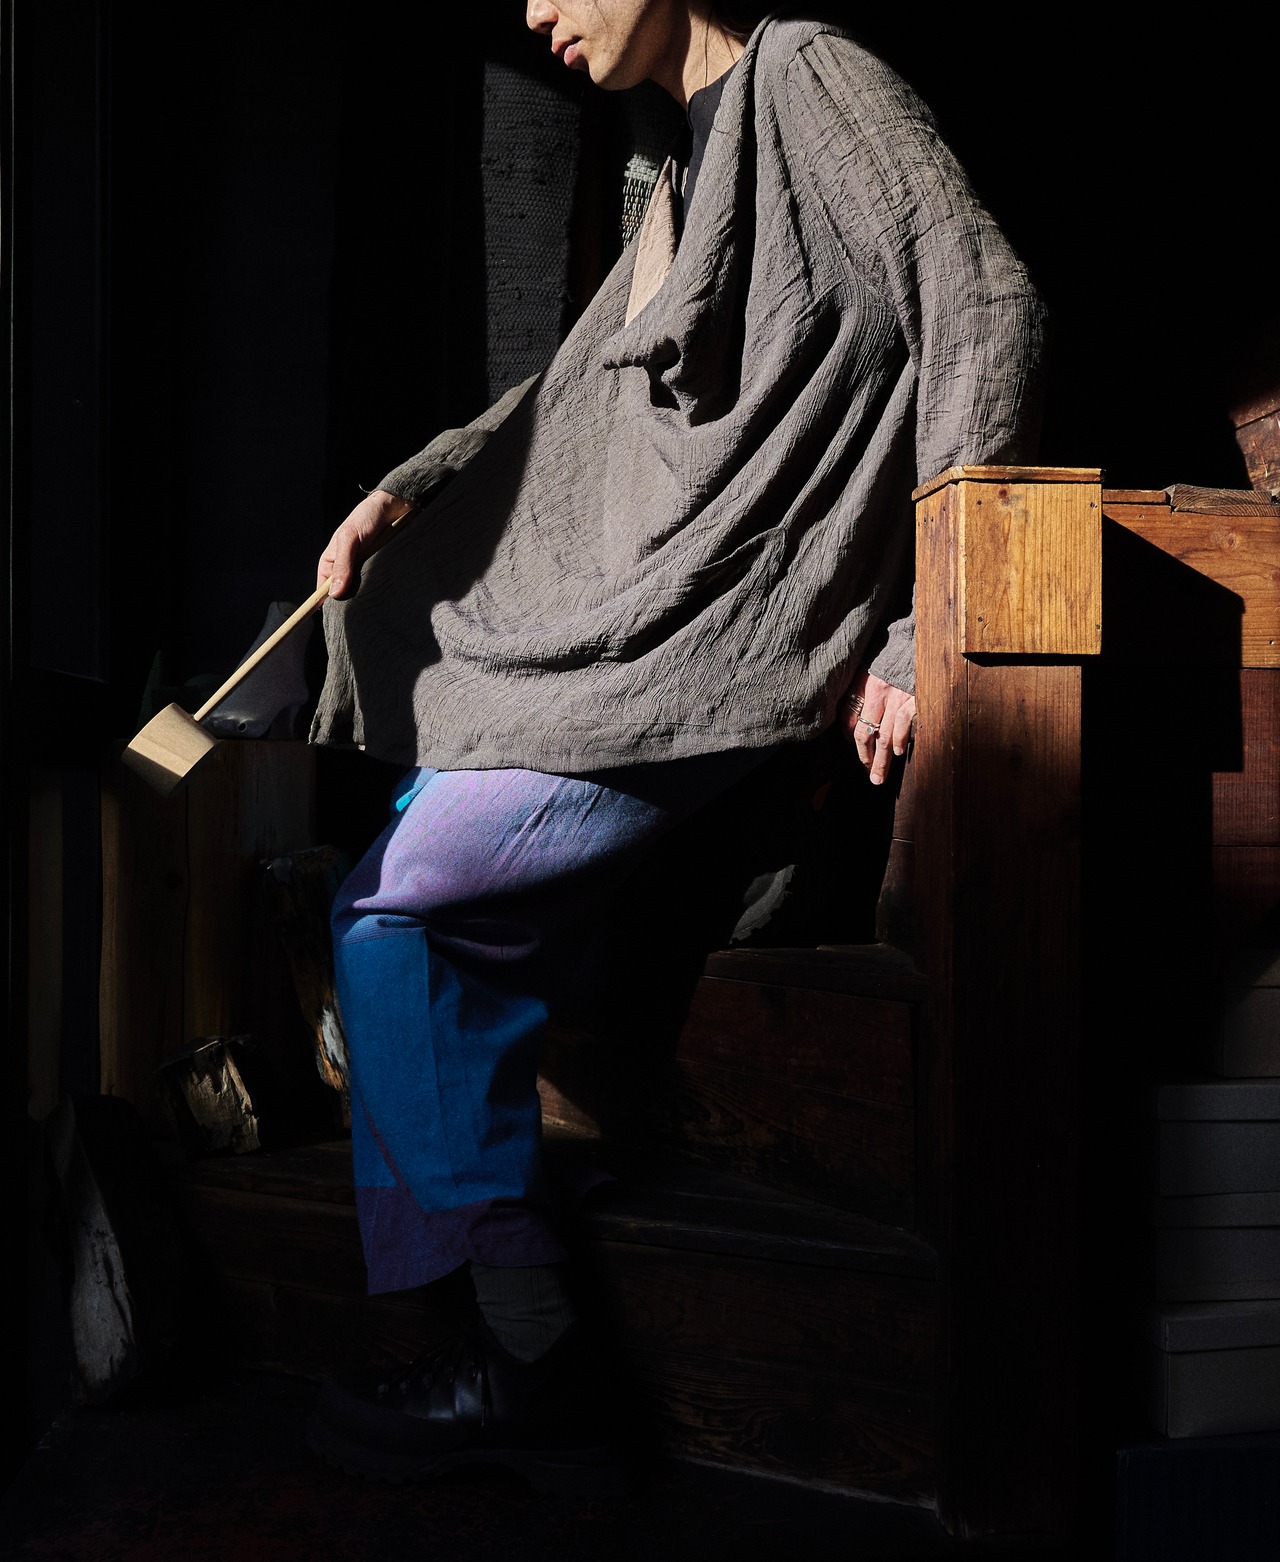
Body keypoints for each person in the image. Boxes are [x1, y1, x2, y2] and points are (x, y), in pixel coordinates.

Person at [303, 0, 1045, 1495]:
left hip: (707, 651)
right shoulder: (679, 159)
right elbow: (571, 397)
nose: (533, 10)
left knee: (393, 915)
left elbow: (983, 301)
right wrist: (417, 484)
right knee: (415, 928)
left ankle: (525, 1354)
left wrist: (930, 627)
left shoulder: (808, 78)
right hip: (632, 643)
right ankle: (498, 1333)